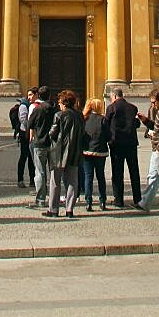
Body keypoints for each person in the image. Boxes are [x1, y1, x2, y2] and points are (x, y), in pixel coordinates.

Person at [44, 90, 84, 218]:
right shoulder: (79, 116)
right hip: (74, 152)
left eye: (60, 102)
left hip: (59, 153)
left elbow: (52, 133)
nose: (59, 104)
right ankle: (69, 210)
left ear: (64, 103)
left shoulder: (59, 115)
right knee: (72, 182)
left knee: (55, 182)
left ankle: (53, 210)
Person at [105, 88, 141, 208]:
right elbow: (137, 124)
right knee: (134, 171)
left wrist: (107, 139)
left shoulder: (111, 108)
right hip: (131, 143)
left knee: (117, 172)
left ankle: (118, 200)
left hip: (116, 144)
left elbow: (106, 124)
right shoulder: (133, 107)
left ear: (114, 96)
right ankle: (137, 199)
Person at [27, 86, 54, 208]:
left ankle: (40, 200)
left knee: (40, 172)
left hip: (40, 143)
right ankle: (54, 199)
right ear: (49, 96)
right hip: (53, 144)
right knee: (53, 172)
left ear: (39, 95)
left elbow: (29, 124)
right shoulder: (55, 109)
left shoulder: (37, 109)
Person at [82, 98, 108, 211]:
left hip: (87, 151)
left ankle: (88, 202)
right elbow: (108, 135)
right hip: (100, 151)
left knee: (88, 177)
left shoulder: (85, 118)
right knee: (100, 176)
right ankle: (102, 201)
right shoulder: (103, 119)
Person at [17, 88, 36, 189]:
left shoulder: (35, 106)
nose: (30, 97)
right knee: (24, 156)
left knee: (31, 158)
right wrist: (32, 125)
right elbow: (23, 120)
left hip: (31, 133)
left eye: (31, 95)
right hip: (25, 133)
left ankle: (32, 180)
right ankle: (20, 179)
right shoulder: (24, 106)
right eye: (28, 95)